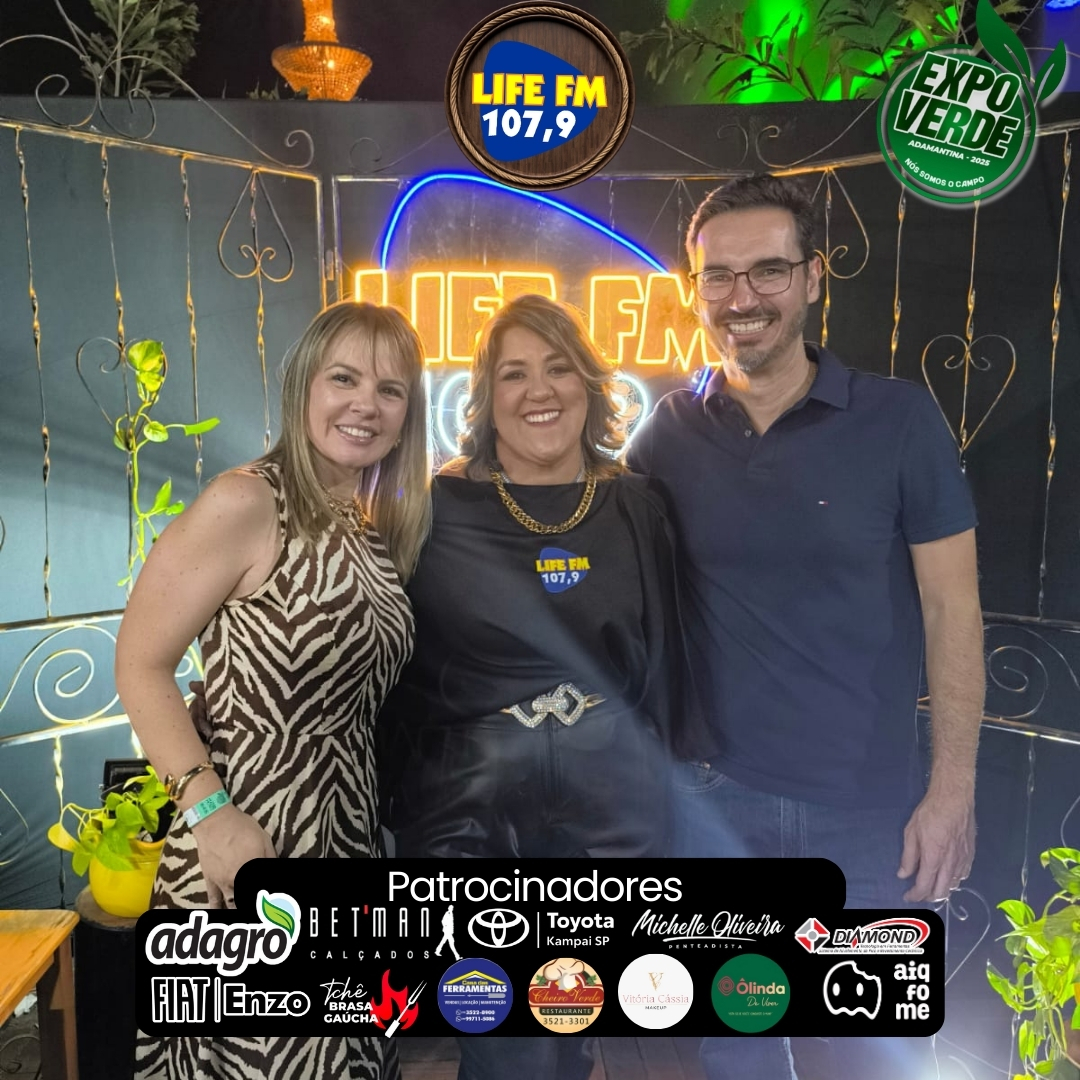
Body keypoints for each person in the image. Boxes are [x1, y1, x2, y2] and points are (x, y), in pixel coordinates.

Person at [626, 174, 985, 1080]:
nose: (741, 297)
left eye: (768, 271)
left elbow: (953, 611)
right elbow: (576, 529)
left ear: (813, 277)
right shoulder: (667, 433)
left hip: (871, 818)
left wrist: (951, 793)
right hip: (719, 814)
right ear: (695, 289)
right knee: (734, 1063)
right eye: (718, 276)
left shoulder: (900, 420)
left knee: (870, 1064)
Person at [116, 301, 431, 1080]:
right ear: (303, 387)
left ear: (407, 416)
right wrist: (211, 817)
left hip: (345, 837)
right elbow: (141, 664)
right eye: (345, 379)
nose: (366, 404)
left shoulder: (364, 525)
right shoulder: (249, 501)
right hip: (250, 841)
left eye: (390, 389)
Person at [378, 293, 688, 1080]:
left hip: (610, 811)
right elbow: (389, 668)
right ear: (487, 397)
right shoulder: (432, 510)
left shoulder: (637, 505)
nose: (538, 390)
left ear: (588, 384)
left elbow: (665, 660)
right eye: (513, 373)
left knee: (577, 1021)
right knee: (499, 1036)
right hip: (469, 813)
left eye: (558, 368)